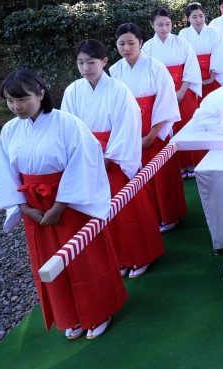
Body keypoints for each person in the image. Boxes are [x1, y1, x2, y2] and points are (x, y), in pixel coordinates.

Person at [0, 69, 127, 340]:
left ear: (41, 93)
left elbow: (84, 163)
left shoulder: (67, 124)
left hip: (70, 204)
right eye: (10, 101)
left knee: (84, 259)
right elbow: (8, 173)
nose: (16, 107)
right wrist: (23, 207)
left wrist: (60, 205)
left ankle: (98, 311)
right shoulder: (10, 130)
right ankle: (71, 315)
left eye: (23, 99)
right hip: (34, 207)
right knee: (48, 262)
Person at [62, 40, 165, 279]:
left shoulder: (119, 90)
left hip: (115, 160)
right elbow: (69, 128)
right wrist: (84, 157)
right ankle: (118, 258)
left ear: (104, 62)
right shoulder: (73, 91)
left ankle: (141, 256)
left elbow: (128, 126)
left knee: (127, 211)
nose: (86, 68)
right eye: (81, 63)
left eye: (91, 62)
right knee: (101, 213)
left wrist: (109, 157)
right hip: (88, 158)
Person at [110, 23, 187, 232]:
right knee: (136, 177)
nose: (127, 48)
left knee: (161, 176)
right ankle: (148, 216)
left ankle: (169, 215)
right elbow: (113, 108)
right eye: (122, 43)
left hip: (155, 127)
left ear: (141, 43)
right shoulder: (114, 71)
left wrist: (153, 134)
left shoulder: (156, 67)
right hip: (129, 132)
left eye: (131, 43)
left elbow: (166, 102)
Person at [143, 7, 203, 177]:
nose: (164, 28)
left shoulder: (181, 43)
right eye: (160, 24)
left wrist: (182, 90)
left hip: (184, 90)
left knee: (188, 125)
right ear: (152, 25)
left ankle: (194, 163)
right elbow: (149, 75)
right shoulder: (147, 48)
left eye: (168, 24)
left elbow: (191, 68)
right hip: (161, 94)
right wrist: (166, 95)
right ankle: (178, 166)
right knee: (169, 128)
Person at [179, 2, 223, 97]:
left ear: (205, 16)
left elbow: (218, 55)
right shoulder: (184, 34)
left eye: (201, 16)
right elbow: (183, 58)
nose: (199, 20)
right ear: (188, 18)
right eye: (194, 17)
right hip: (191, 76)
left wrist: (212, 77)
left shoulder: (214, 32)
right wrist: (193, 78)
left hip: (213, 74)